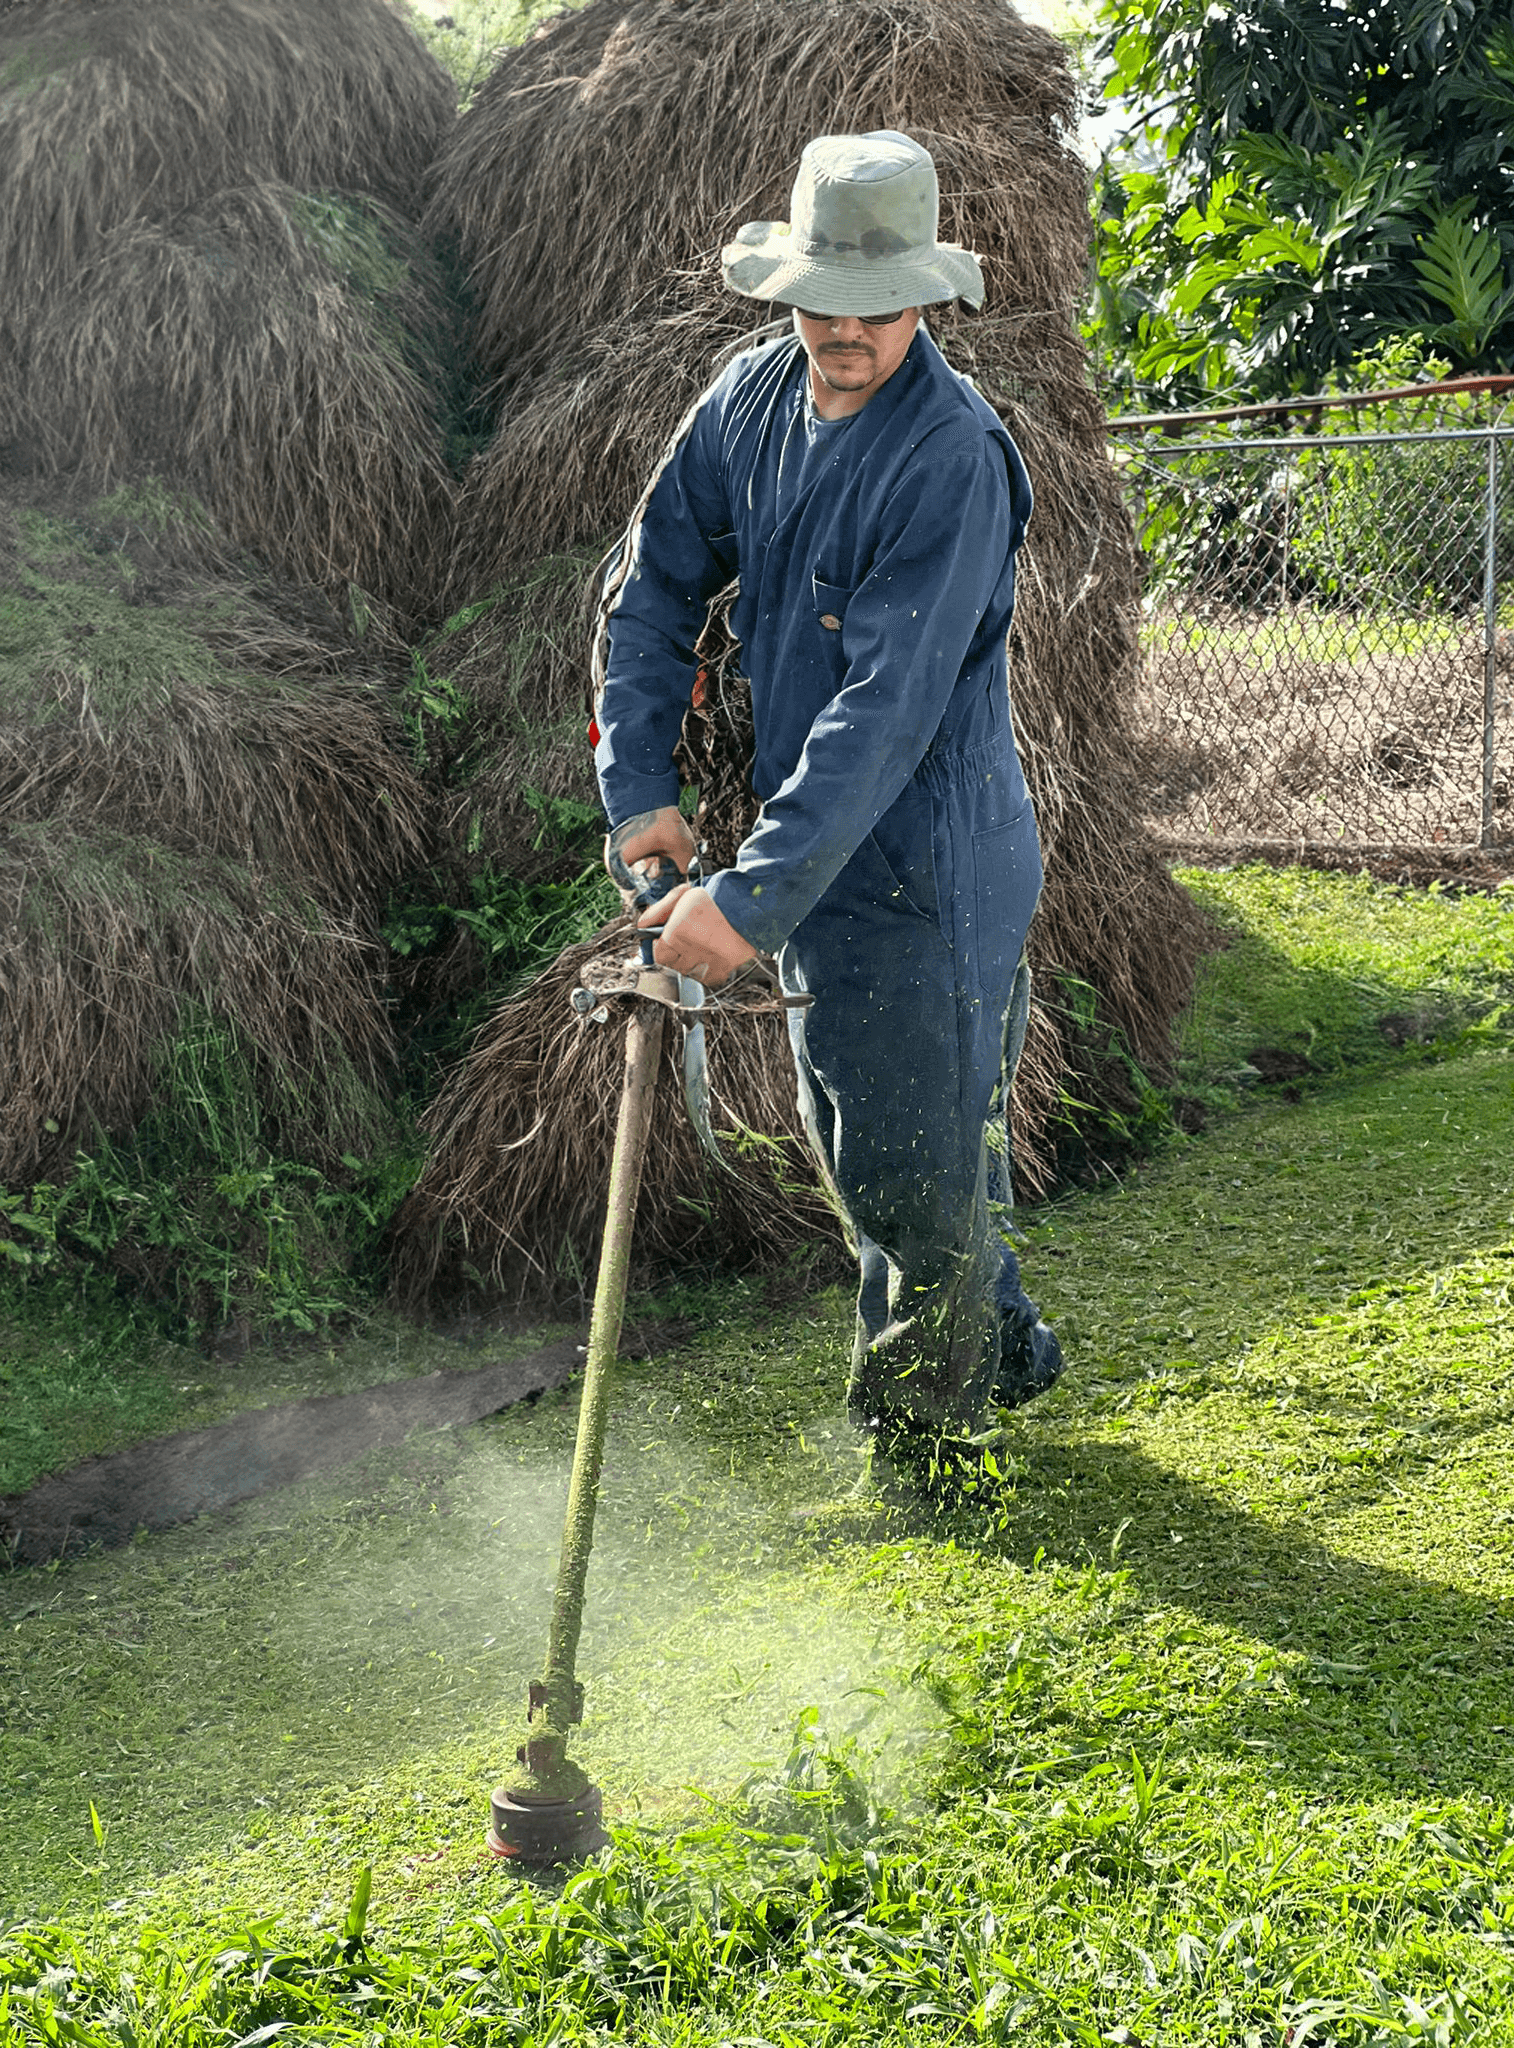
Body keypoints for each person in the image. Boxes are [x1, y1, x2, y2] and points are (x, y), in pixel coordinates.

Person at [591, 130, 1063, 1465]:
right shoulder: (748, 402)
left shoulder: (951, 459)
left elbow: (882, 718)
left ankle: (926, 1451)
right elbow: (652, 591)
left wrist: (741, 903)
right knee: (880, 1141)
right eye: (822, 300)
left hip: (934, 866)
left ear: (926, 295)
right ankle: (1007, 1348)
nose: (845, 331)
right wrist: (641, 796)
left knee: (904, 1162)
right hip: (824, 864)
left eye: (876, 303)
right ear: (785, 287)